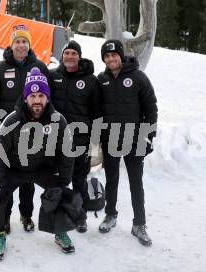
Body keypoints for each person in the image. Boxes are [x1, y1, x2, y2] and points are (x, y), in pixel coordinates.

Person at [0, 67, 75, 261]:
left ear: (47, 97)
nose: (37, 100)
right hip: (15, 168)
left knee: (60, 191)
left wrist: (64, 179)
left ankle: (60, 231)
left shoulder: (58, 120)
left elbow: (66, 153)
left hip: (42, 168)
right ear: (26, 98)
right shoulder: (11, 120)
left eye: (41, 95)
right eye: (33, 95)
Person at [0, 24, 50, 233]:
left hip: (33, 133)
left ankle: (26, 215)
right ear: (11, 44)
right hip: (6, 135)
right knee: (6, 178)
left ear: (29, 44)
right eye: (17, 41)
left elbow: (49, 99)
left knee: (28, 180)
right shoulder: (0, 68)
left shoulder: (39, 67)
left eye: (24, 41)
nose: (21, 45)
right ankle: (4, 218)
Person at [97, 39, 158, 247]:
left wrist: (149, 135)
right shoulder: (101, 79)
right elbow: (96, 110)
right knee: (111, 179)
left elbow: (151, 107)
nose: (111, 58)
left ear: (121, 56)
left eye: (114, 55)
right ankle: (110, 215)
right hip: (110, 138)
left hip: (134, 138)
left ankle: (139, 224)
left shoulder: (138, 77)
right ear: (104, 59)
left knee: (136, 182)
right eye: (107, 56)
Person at [49, 40, 101, 233]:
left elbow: (97, 114)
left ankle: (80, 216)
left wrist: (94, 145)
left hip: (81, 140)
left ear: (79, 56)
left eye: (73, 53)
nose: (70, 57)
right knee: (57, 180)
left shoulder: (91, 81)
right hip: (56, 140)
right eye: (67, 53)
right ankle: (58, 215)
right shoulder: (53, 76)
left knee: (79, 180)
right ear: (62, 56)